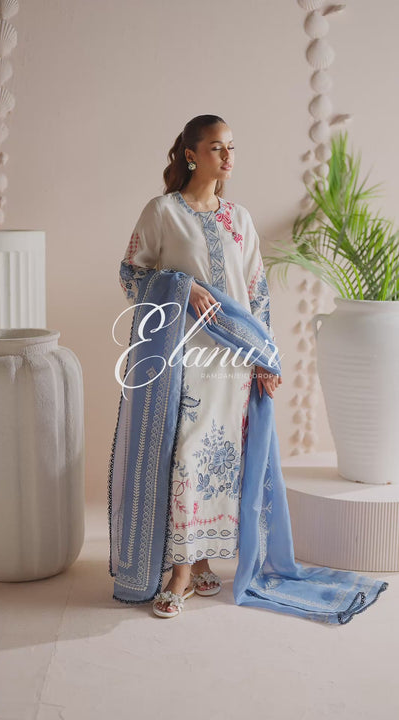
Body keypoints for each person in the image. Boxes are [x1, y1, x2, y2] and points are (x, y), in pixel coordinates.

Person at [117, 114, 281, 616]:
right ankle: (181, 572)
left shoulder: (240, 218)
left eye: (231, 147)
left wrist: (265, 357)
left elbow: (256, 293)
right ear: (191, 155)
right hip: (185, 356)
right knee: (186, 454)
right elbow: (130, 274)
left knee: (222, 459)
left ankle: (205, 560)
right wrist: (183, 288)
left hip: (235, 360)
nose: (228, 157)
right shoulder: (163, 211)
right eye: (216, 148)